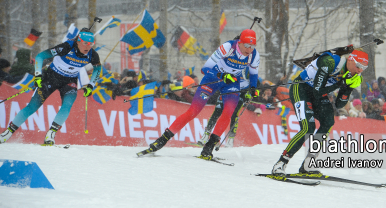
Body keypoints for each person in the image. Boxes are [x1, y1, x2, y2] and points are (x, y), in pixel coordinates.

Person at [137, 29, 260, 159]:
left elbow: (253, 74)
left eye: (252, 46)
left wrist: (253, 88)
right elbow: (205, 69)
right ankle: (162, 139)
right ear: (239, 42)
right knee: (193, 111)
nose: (249, 49)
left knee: (228, 112)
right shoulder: (228, 47)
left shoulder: (254, 55)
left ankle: (209, 146)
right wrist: (222, 75)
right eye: (246, 45)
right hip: (212, 79)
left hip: (232, 83)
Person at [271, 49, 368, 175]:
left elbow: (339, 104)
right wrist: (340, 83)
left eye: (364, 68)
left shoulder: (354, 75)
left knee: (328, 121)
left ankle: (308, 163)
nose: (360, 70)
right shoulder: (330, 62)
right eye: (358, 66)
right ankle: (280, 163)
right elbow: (318, 90)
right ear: (350, 59)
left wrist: (346, 88)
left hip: (318, 94)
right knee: (308, 128)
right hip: (301, 89)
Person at [0, 30, 101, 145]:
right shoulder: (66, 47)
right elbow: (40, 56)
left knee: (67, 105)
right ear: (78, 41)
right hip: (51, 77)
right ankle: (8, 132)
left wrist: (91, 85)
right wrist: (38, 75)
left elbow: (98, 69)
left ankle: (51, 134)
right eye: (85, 43)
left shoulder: (92, 54)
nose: (88, 47)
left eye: (91, 44)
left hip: (69, 81)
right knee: (32, 107)